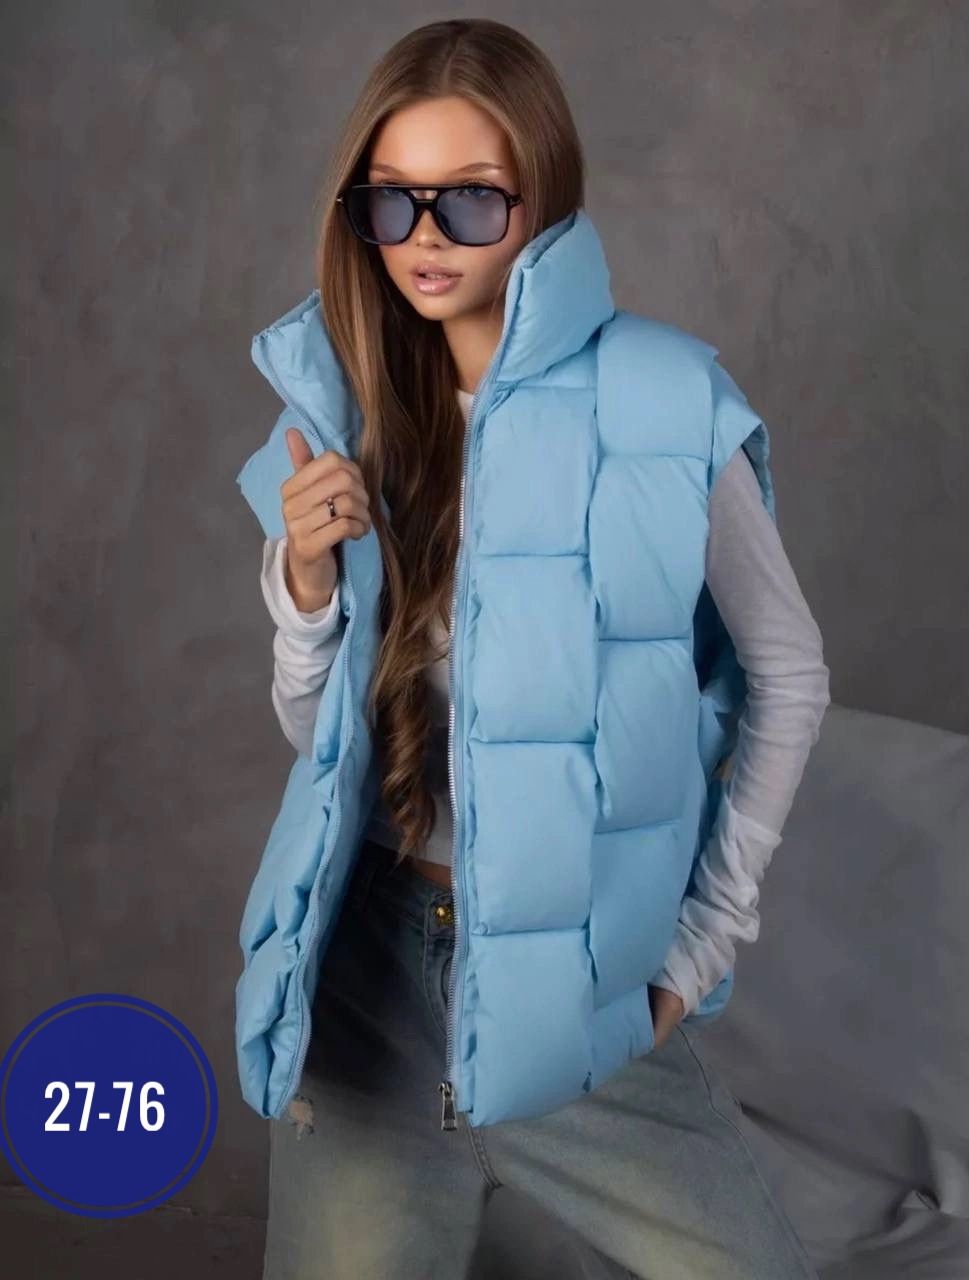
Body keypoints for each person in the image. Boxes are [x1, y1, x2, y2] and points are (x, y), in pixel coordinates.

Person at [235, 17, 830, 1279]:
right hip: (369, 970)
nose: (427, 238)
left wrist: (701, 943)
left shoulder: (666, 401)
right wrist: (305, 585)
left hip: (578, 973)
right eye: (392, 202)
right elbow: (324, 747)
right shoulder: (347, 416)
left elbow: (788, 672)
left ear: (544, 197)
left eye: (469, 199)